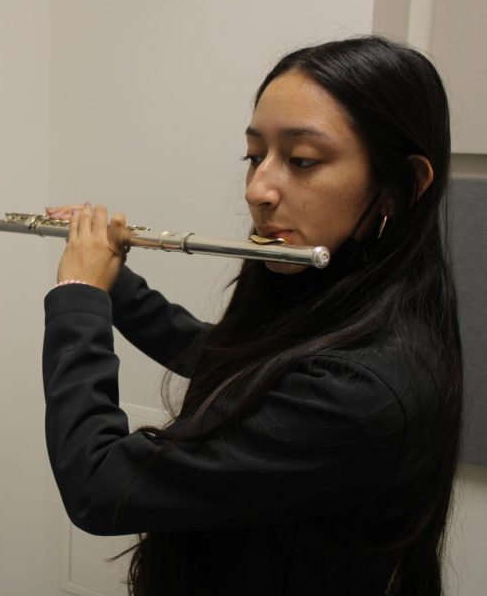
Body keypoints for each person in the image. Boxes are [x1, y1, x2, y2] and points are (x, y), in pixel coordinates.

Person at [42, 36, 462, 595]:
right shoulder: (346, 293)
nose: (258, 188)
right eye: (254, 155)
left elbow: (97, 483)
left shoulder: (366, 389)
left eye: (302, 160)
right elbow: (238, 363)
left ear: (401, 186)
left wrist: (79, 296)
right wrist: (117, 283)